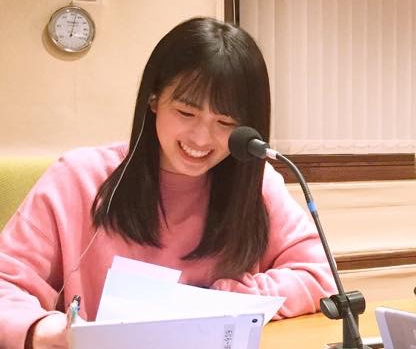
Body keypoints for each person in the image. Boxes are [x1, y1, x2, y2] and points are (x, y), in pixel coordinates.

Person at [0, 18, 336, 349]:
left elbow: (318, 275)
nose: (201, 138)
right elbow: (5, 283)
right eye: (186, 113)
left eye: (225, 122)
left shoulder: (256, 184)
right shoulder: (78, 178)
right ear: (154, 100)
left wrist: (226, 299)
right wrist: (42, 329)